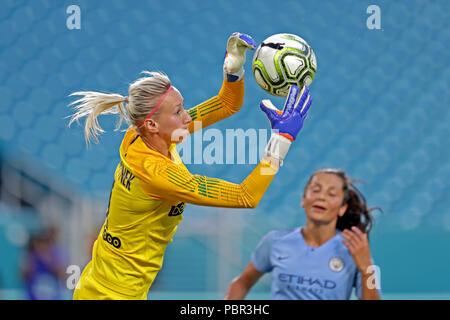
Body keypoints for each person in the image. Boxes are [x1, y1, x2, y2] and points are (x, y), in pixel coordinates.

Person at [67, 32, 313, 300]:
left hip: (104, 286)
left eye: (183, 107)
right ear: (152, 124)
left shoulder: (146, 137)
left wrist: (234, 70)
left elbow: (226, 104)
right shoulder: (157, 174)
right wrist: (282, 141)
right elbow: (247, 196)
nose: (187, 117)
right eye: (178, 112)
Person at [225, 169, 382, 300]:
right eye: (315, 190)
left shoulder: (354, 249)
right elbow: (242, 283)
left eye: (331, 194)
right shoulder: (275, 241)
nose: (321, 197)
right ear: (303, 200)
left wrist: (365, 267)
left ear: (342, 208)